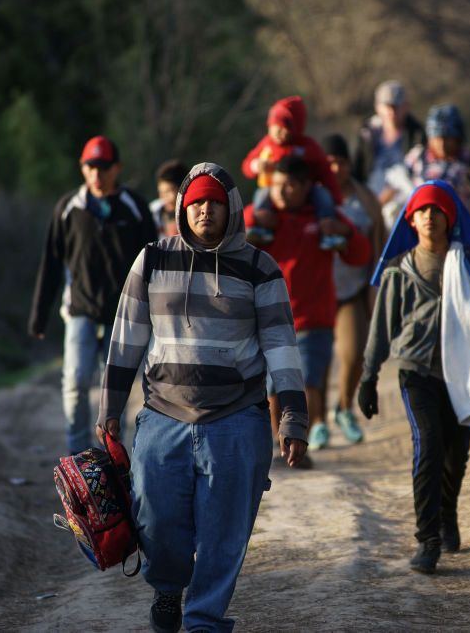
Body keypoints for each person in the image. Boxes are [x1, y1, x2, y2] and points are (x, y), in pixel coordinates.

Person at [98, 163, 309, 633]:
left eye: (214, 202)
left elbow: (281, 347)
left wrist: (293, 416)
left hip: (237, 420)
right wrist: (110, 408)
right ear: (181, 208)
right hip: (161, 417)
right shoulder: (152, 260)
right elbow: (126, 338)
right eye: (196, 202)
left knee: (223, 537)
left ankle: (204, 621)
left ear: (231, 207)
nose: (205, 211)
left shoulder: (260, 268)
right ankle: (169, 589)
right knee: (156, 521)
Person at [358, 180, 470, 574]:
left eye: (437, 210)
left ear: (450, 218)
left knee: (455, 452)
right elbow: (382, 328)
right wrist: (368, 375)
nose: (429, 217)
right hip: (417, 374)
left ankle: (448, 515)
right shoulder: (400, 272)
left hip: (463, 374)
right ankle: (428, 540)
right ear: (410, 220)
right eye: (421, 211)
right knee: (428, 446)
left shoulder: (468, 265)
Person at [28, 135, 156, 455]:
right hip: (80, 309)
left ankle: (113, 458)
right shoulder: (69, 208)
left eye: (103, 167)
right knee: (75, 381)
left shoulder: (136, 209)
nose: (96, 174)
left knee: (115, 388)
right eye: (90, 167)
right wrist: (39, 315)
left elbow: (155, 264)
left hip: (122, 313)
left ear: (117, 168)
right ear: (82, 169)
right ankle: (79, 457)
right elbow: (52, 262)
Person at [244, 155, 370, 460]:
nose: (281, 192)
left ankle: (303, 445)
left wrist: (343, 232)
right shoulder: (267, 221)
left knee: (309, 383)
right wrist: (253, 221)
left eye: (288, 186)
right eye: (276, 186)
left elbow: (360, 253)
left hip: (315, 318)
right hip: (272, 319)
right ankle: (281, 444)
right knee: (274, 388)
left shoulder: (324, 219)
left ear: (305, 187)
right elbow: (235, 230)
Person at [323, 134, 386, 445]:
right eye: (330, 162)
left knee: (352, 355)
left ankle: (344, 408)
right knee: (315, 361)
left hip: (353, 291)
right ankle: (316, 421)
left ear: (349, 164)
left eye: (341, 162)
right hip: (316, 291)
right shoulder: (313, 196)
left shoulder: (364, 199)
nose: (336, 168)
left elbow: (381, 241)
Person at [241, 95, 345, 250]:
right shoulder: (266, 144)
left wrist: (335, 196)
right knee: (261, 196)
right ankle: (262, 230)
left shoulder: (307, 147)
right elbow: (247, 165)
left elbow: (325, 171)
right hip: (271, 191)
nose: (280, 133)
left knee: (323, 196)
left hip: (306, 192)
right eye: (276, 127)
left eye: (286, 128)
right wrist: (257, 166)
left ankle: (327, 234)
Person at [354, 80, 427, 227]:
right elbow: (358, 171)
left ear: (406, 107)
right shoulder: (367, 133)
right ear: (377, 107)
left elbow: (418, 173)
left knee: (391, 213)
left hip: (404, 191)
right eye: (387, 106)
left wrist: (386, 196)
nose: (391, 112)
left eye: (396, 106)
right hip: (372, 191)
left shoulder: (417, 134)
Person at [404, 104, 470, 205]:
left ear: (458, 138)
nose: (442, 144)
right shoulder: (416, 157)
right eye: (437, 138)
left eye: (447, 138)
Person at [149, 159, 186, 239]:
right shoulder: (153, 213)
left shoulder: (196, 215)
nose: (163, 198)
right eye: (161, 192)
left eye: (168, 191)